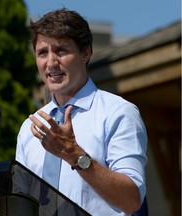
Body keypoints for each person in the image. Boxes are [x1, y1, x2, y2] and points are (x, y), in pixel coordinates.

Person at [15, 8, 148, 216]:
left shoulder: (118, 113)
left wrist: (74, 155)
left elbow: (132, 201)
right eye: (42, 53)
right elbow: (18, 203)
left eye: (60, 50)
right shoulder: (29, 128)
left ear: (85, 53)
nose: (50, 63)